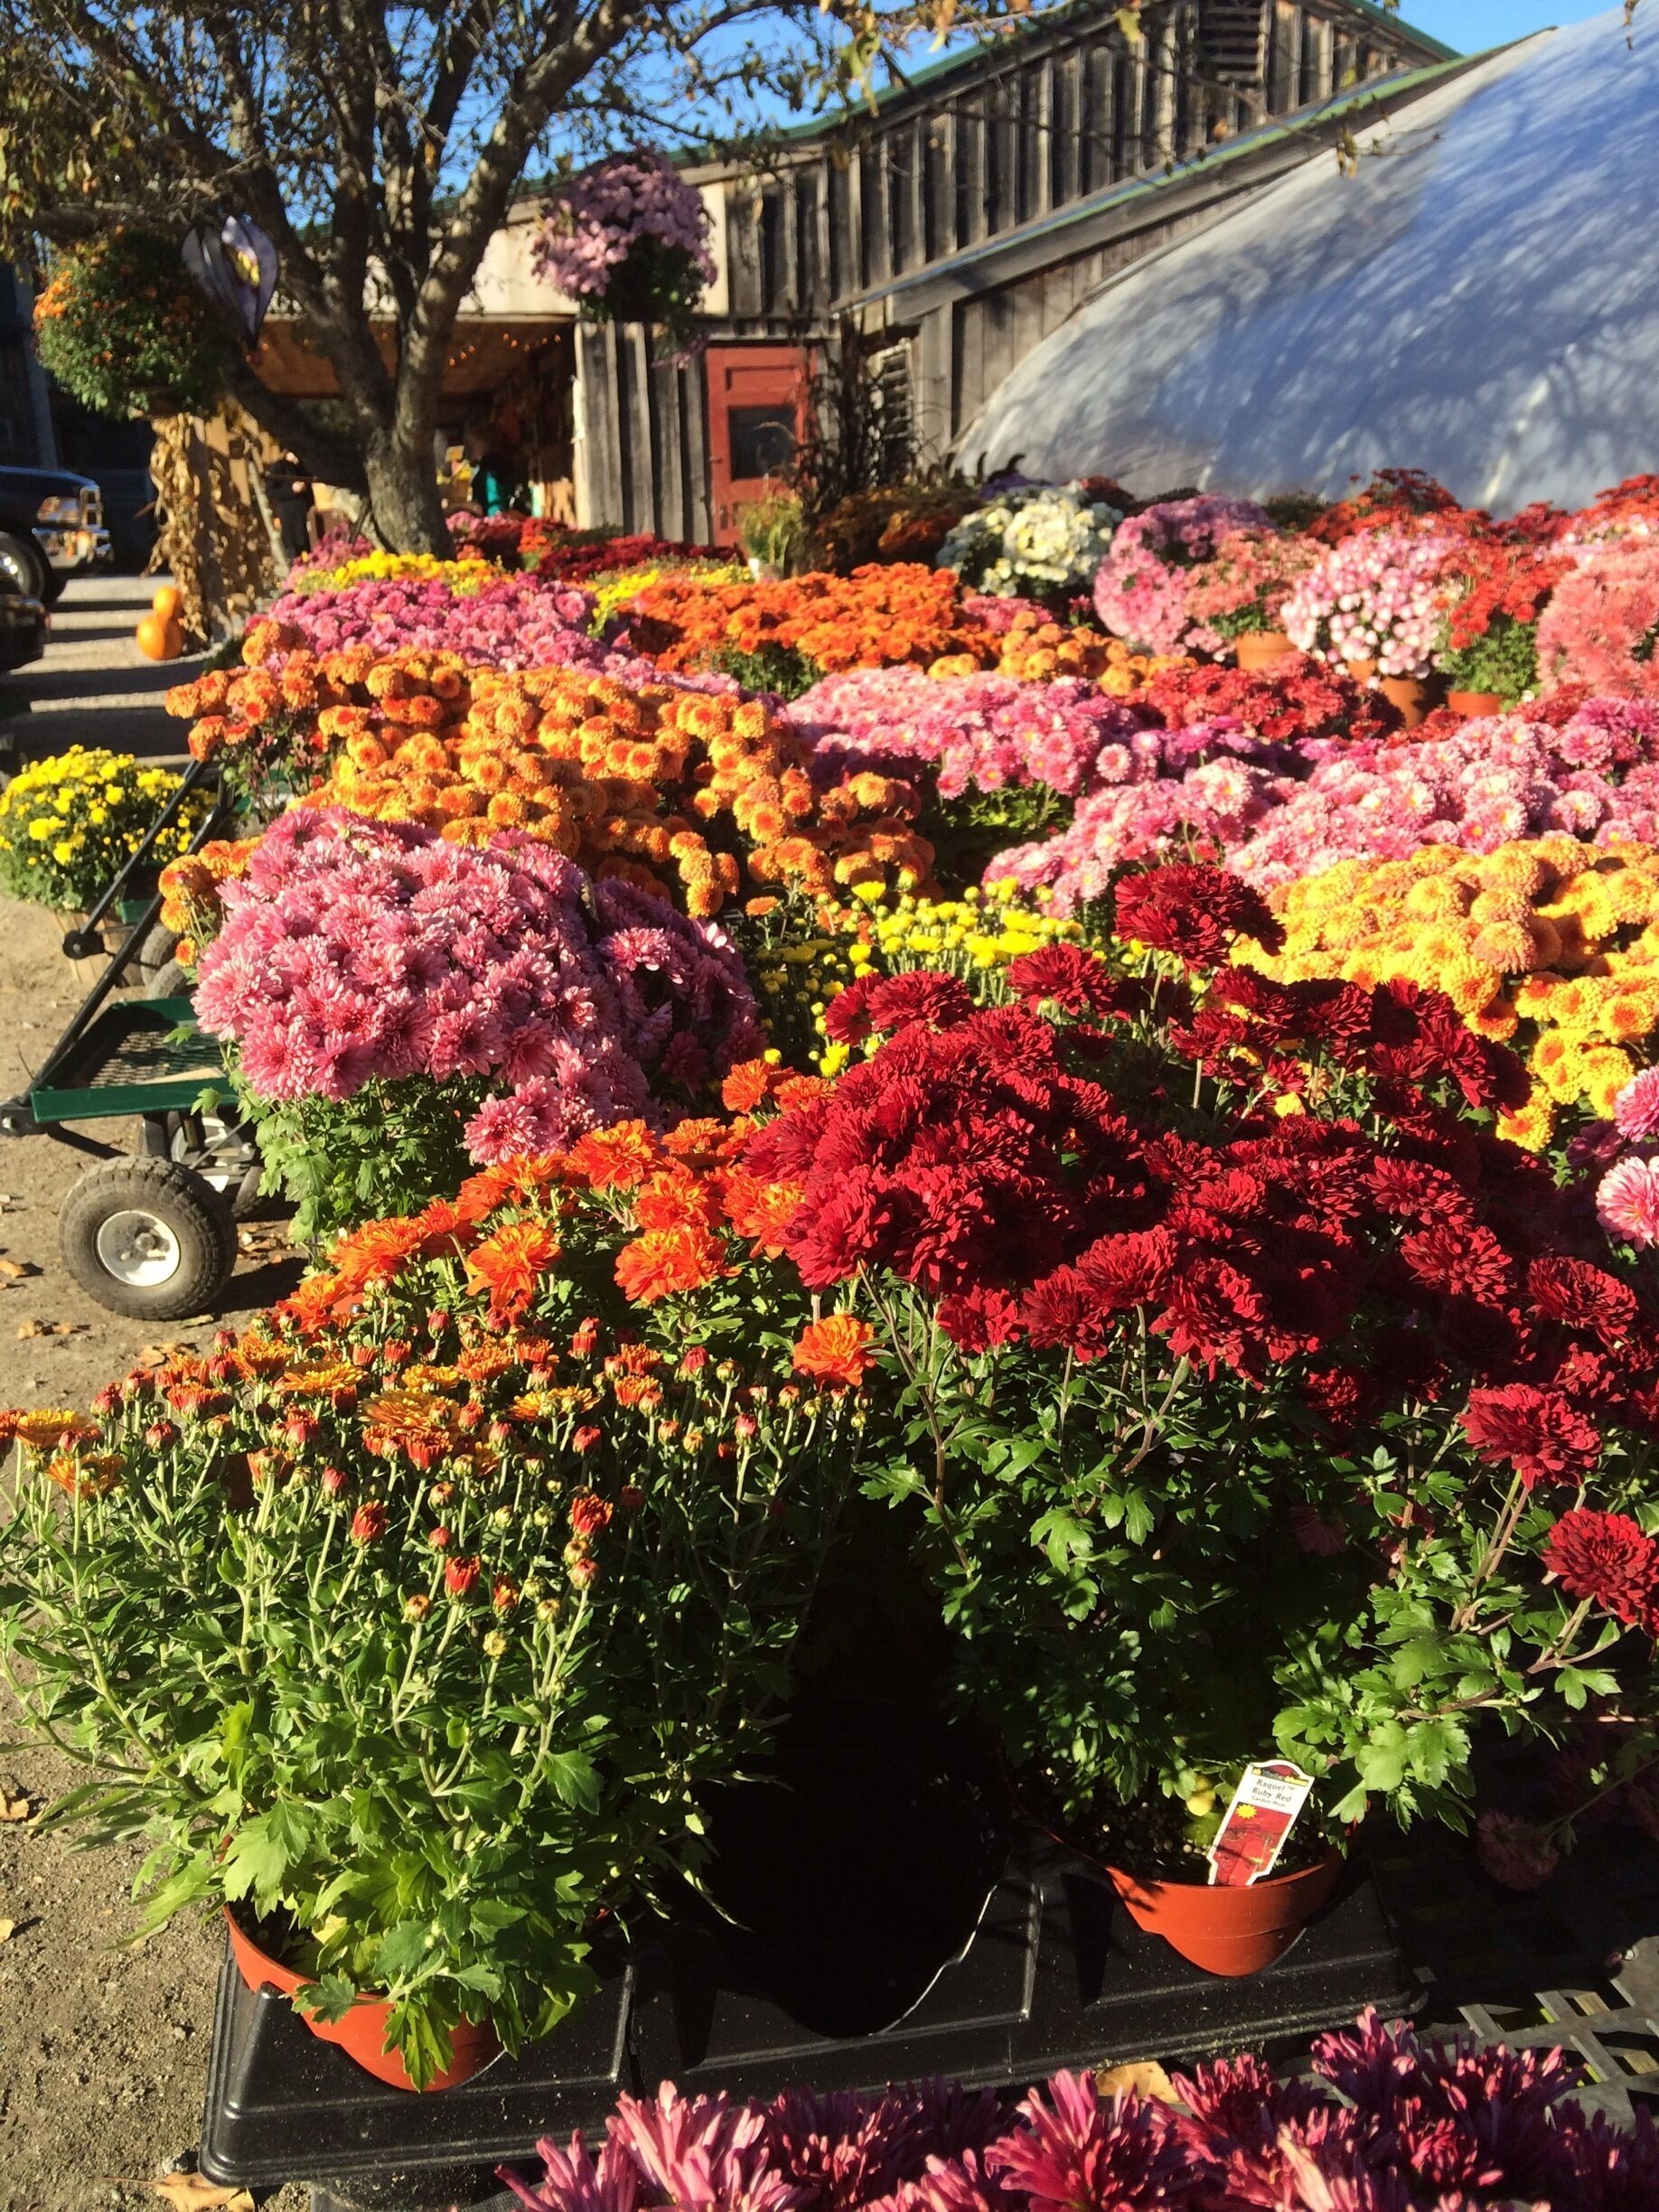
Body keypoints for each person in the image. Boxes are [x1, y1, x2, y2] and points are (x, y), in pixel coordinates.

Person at [461, 419, 523, 515]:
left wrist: (496, 517)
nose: (470, 449)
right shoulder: (488, 466)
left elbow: (494, 499)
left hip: (491, 518)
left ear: (484, 445)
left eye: (473, 445)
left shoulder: (489, 470)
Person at [263, 451, 314, 561]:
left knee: (308, 540)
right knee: (293, 543)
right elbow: (271, 491)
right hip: (288, 511)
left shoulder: (301, 465)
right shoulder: (279, 467)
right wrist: (291, 490)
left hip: (303, 509)